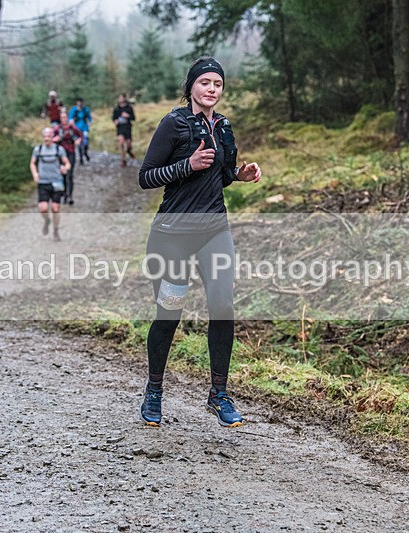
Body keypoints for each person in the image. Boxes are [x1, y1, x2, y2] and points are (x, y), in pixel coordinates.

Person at [137, 57, 262, 428]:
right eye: (205, 82)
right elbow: (146, 177)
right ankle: (155, 390)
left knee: (223, 304)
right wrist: (186, 165)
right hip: (173, 235)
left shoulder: (223, 127)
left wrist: (239, 174)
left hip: (214, 230)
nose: (212, 89)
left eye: (218, 84)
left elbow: (221, 175)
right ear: (191, 86)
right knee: (169, 312)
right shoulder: (173, 123)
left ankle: (219, 394)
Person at [30, 127, 71, 241]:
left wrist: (65, 168)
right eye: (45, 137)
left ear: (53, 137)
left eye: (49, 136)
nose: (47, 139)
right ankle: (47, 220)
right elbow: (32, 163)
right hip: (43, 182)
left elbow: (67, 163)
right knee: (43, 208)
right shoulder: (38, 150)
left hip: (56, 182)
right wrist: (35, 174)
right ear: (43, 138)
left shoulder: (59, 149)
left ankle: (56, 230)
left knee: (55, 208)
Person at [55, 108, 83, 206]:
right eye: (62, 117)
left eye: (65, 117)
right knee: (62, 174)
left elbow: (80, 135)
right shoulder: (57, 128)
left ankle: (70, 195)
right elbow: (50, 138)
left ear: (67, 118)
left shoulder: (72, 128)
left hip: (71, 152)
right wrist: (55, 139)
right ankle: (64, 193)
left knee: (69, 175)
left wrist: (78, 141)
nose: (63, 119)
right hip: (60, 154)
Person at [112, 94, 136, 167]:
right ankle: (123, 160)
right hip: (120, 128)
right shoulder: (116, 108)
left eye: (122, 98)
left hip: (128, 127)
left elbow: (134, 118)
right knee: (121, 142)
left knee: (128, 145)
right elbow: (113, 118)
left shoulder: (129, 108)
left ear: (125, 99)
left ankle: (129, 151)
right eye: (119, 98)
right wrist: (115, 121)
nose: (120, 99)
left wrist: (127, 116)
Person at [68, 98, 93, 164]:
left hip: (84, 127)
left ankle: (85, 152)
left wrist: (90, 122)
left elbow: (89, 117)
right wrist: (71, 121)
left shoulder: (85, 109)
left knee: (85, 142)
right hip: (77, 128)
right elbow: (70, 117)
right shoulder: (74, 110)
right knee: (79, 144)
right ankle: (81, 158)